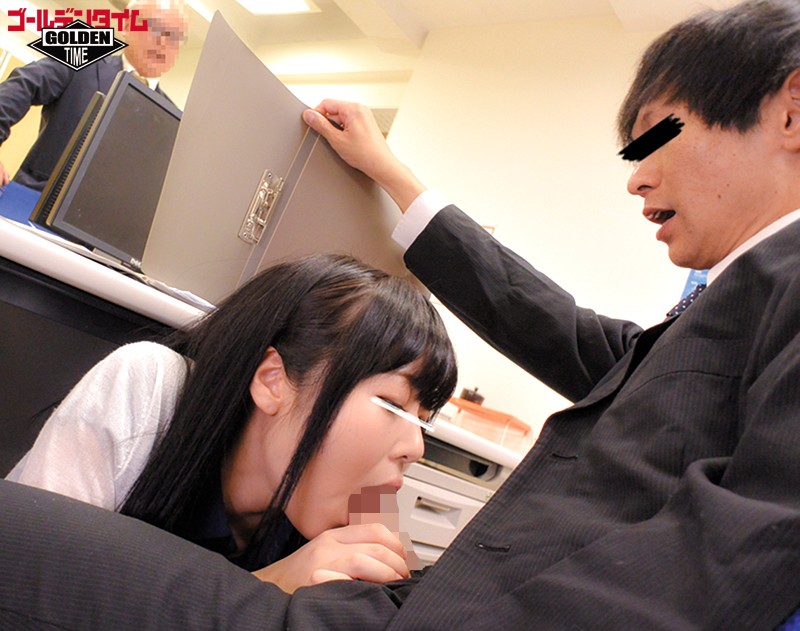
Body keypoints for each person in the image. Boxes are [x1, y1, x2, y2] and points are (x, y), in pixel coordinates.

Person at [2, 0, 800, 629]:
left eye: (657, 136)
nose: (636, 176)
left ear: (790, 111)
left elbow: (745, 547)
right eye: (159, 30)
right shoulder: (85, 46)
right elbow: (560, 328)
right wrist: (392, 174)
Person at [6, 253, 458, 594]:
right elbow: (27, 586)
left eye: (423, 421)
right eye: (393, 405)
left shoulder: (338, 519)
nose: (415, 448)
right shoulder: (150, 389)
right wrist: (262, 594)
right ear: (273, 381)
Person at [0, 0, 187, 189]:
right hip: (33, 200)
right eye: (155, 27)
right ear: (127, 25)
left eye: (174, 37)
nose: (164, 43)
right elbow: (18, 88)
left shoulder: (173, 121)